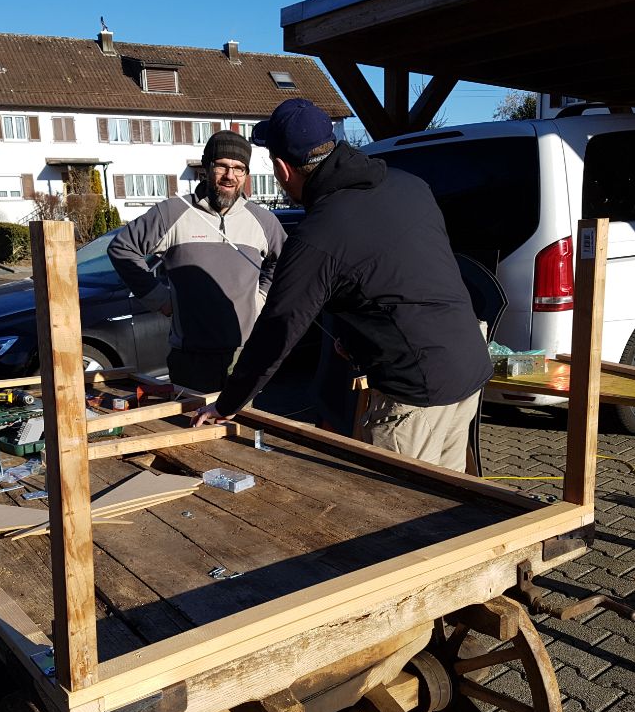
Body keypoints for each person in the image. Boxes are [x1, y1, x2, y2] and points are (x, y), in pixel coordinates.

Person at [193, 99, 493, 472]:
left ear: (282, 168)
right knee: (447, 493)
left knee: (399, 501)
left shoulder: (319, 235)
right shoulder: (409, 185)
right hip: (470, 362)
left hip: (415, 390)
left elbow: (277, 329)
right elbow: (401, 276)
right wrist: (356, 337)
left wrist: (227, 404)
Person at [108, 130, 286, 392]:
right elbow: (122, 249)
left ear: (246, 174)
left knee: (242, 419)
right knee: (193, 418)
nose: (230, 176)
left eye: (239, 168)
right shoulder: (172, 213)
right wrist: (160, 299)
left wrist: (261, 297)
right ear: (207, 168)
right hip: (190, 358)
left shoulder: (264, 221)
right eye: (222, 166)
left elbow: (284, 264)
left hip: (245, 354)